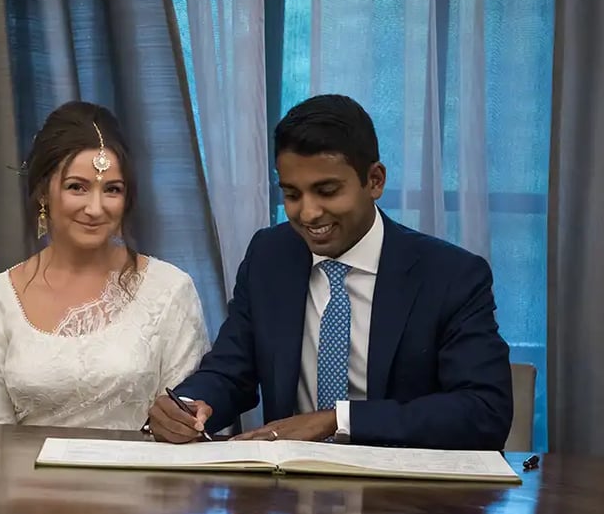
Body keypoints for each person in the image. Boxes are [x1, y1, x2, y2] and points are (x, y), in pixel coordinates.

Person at [147, 94, 513, 449]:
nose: (307, 213)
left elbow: (484, 411)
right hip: (290, 495)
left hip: (404, 495)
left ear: (374, 181)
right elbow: (230, 371)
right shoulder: (270, 257)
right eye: (292, 194)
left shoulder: (450, 275)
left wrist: (337, 420)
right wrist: (189, 405)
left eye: (327, 191)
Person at [0, 101, 209, 429]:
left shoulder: (169, 290)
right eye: (77, 187)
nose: (95, 208)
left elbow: (181, 423)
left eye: (112, 190)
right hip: (25, 480)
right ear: (44, 192)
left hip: (144, 478)